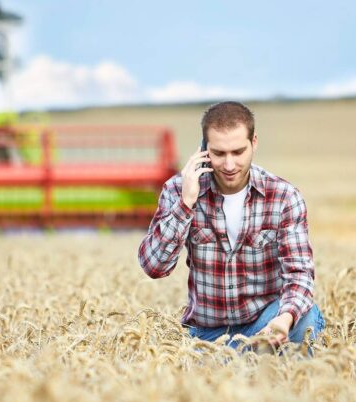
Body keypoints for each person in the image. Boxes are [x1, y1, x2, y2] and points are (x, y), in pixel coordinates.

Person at [138, 101, 325, 352]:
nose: (228, 165)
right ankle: (248, 362)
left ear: (254, 143)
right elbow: (154, 266)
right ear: (204, 149)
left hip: (266, 322)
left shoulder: (283, 197)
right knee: (243, 361)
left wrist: (285, 318)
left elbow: (299, 274)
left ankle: (245, 363)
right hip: (207, 333)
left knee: (306, 318)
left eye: (238, 152)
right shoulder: (178, 190)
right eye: (219, 153)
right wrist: (186, 203)